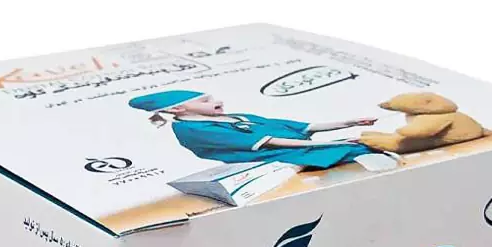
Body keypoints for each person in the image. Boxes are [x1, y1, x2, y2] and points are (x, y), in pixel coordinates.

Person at [128, 90, 397, 172]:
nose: (217, 102)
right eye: (205, 101)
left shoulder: (238, 116)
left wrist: (351, 122)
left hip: (296, 147)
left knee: (360, 143)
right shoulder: (192, 130)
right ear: (177, 109)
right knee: (354, 149)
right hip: (270, 158)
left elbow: (302, 128)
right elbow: (272, 143)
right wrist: (330, 145)